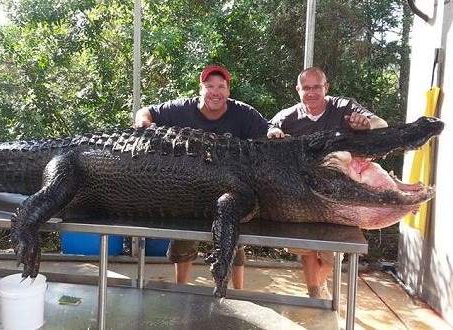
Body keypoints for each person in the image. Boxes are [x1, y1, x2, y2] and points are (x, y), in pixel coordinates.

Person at [134, 64, 268, 289]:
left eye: (221, 86)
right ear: (201, 88)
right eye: (209, 86)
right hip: (188, 189)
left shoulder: (243, 113)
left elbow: (267, 129)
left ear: (228, 90)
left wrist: (274, 132)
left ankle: (239, 292)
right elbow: (145, 112)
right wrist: (142, 121)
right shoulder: (181, 108)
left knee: (234, 240)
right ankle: (181, 288)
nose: (215, 91)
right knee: (183, 241)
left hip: (230, 188)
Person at [267, 67, 388, 298]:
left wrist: (366, 125)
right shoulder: (287, 116)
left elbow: (381, 125)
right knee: (306, 249)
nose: (311, 92)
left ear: (326, 88)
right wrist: (273, 133)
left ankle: (316, 288)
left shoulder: (344, 107)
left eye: (316, 87)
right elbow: (266, 132)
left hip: (339, 194)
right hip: (303, 196)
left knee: (333, 254)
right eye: (306, 88)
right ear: (298, 90)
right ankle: (315, 294)